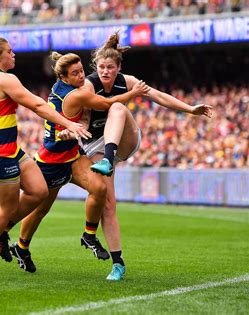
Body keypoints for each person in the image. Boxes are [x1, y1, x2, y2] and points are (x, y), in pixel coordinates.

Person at [80, 32, 213, 280]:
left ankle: (109, 159)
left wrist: (190, 109)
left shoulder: (126, 81)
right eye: (101, 67)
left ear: (119, 67)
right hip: (95, 146)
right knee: (108, 205)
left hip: (125, 140)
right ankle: (118, 263)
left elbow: (159, 96)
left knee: (118, 107)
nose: (105, 71)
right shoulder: (88, 85)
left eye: (110, 67)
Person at [0, 36, 91, 279]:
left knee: (40, 191)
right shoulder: (2, 78)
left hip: (10, 150)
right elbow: (38, 105)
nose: (14, 55)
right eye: (9, 52)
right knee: (6, 208)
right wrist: (69, 125)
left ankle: (3, 229)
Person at [7, 52, 149, 273]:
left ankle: (89, 235)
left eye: (82, 70)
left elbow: (80, 116)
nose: (82, 76)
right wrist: (134, 92)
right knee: (39, 211)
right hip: (51, 161)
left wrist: (72, 130)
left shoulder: (69, 90)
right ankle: (15, 243)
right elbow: (108, 103)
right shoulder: (73, 96)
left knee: (99, 187)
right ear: (63, 78)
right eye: (75, 73)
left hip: (72, 156)